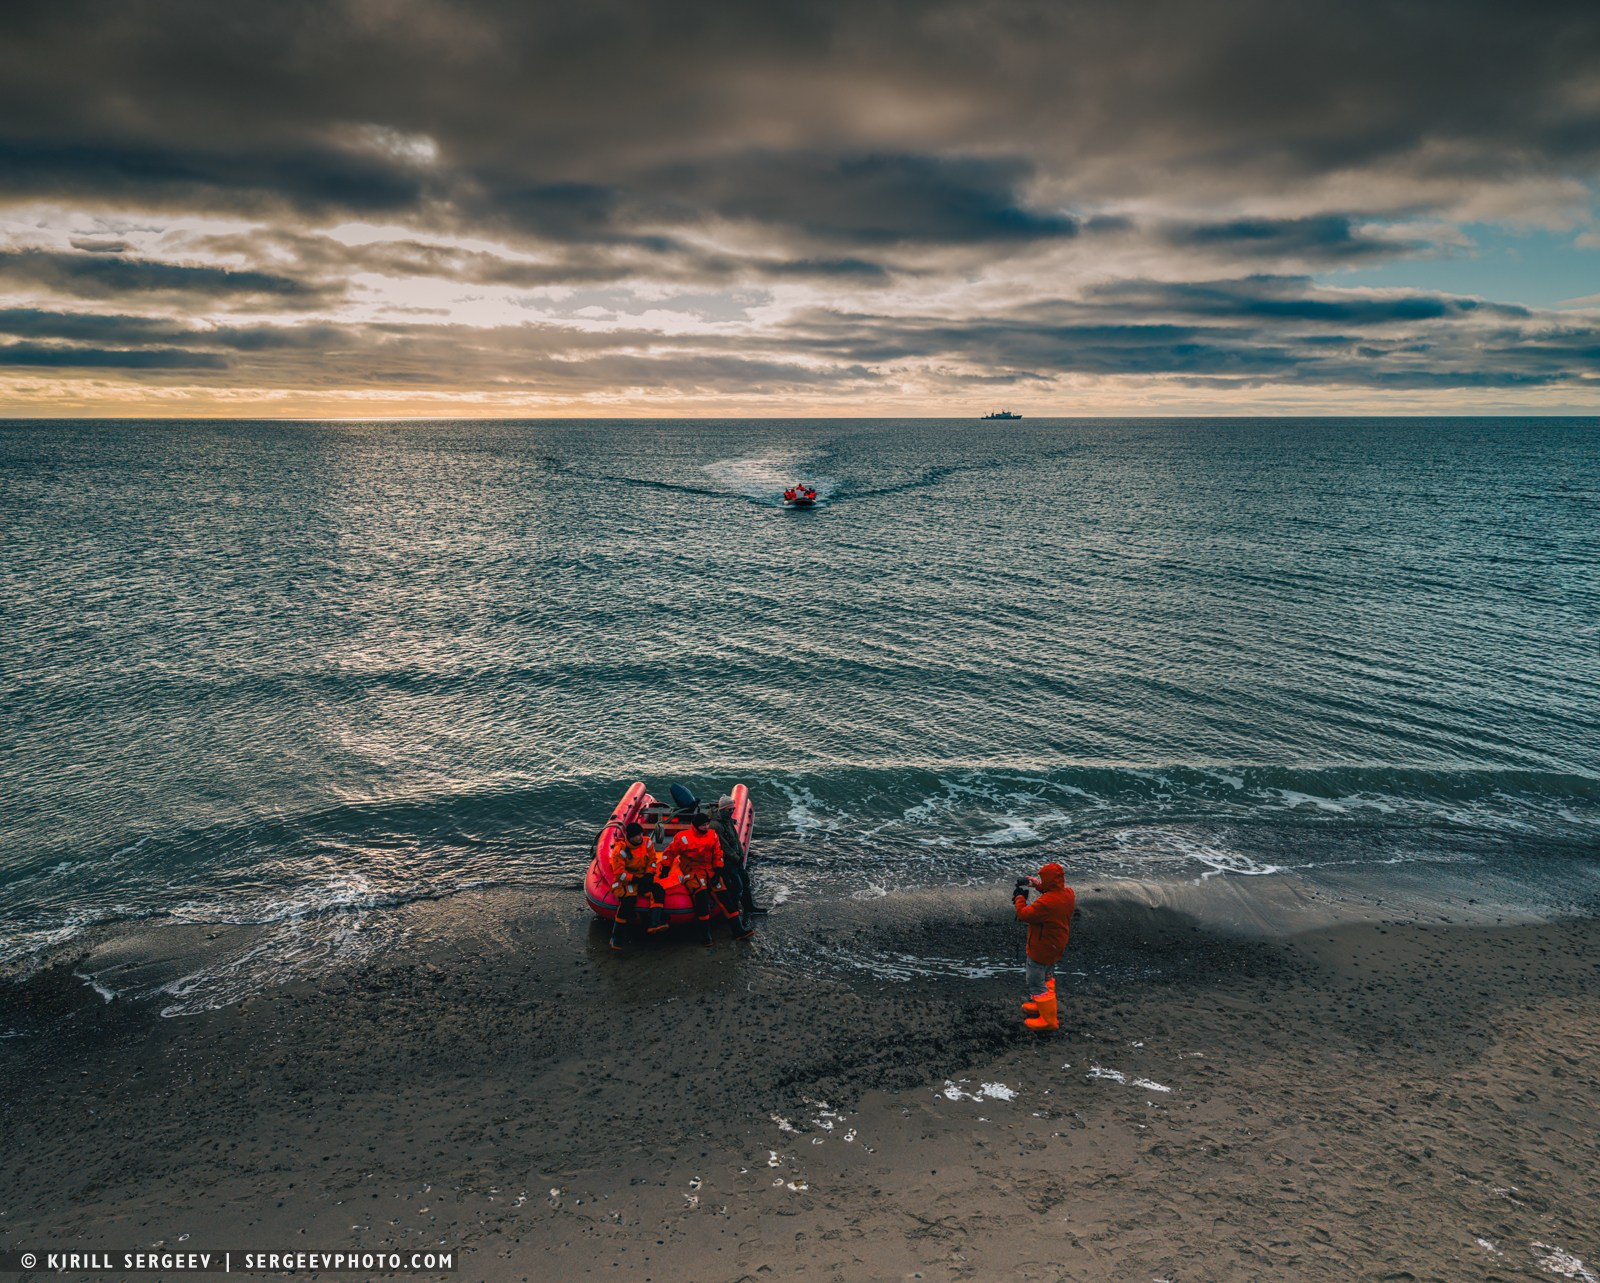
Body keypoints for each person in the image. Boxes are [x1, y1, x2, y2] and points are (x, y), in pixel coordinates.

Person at [661, 811, 752, 946]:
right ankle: (705, 935)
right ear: (696, 825)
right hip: (693, 872)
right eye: (703, 825)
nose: (706, 827)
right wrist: (665, 868)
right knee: (701, 898)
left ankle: (738, 930)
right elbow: (669, 853)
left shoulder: (712, 835)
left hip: (710, 870)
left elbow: (718, 854)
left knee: (725, 897)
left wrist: (718, 870)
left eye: (707, 824)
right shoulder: (683, 838)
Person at [1013, 862, 1075, 1031]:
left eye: (1042, 878)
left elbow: (1024, 914)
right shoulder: (1068, 894)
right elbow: (1053, 893)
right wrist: (1039, 887)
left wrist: (1020, 898)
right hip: (1056, 944)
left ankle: (1048, 1020)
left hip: (1042, 947)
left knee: (1035, 980)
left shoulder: (1047, 903)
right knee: (1047, 975)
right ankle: (1042, 1005)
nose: (1040, 880)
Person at [609, 821, 667, 951]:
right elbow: (619, 874)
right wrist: (635, 879)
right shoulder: (620, 850)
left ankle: (654, 924)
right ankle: (616, 937)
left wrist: (649, 874)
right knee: (628, 902)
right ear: (630, 837)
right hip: (627, 882)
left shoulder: (647, 843)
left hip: (643, 877)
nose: (641, 837)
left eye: (641, 834)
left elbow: (652, 860)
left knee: (658, 891)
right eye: (637, 835)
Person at [709, 794, 756, 924]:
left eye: (733, 809)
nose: (732, 812)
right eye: (730, 809)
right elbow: (723, 845)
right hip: (727, 861)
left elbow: (735, 837)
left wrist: (740, 853)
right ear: (723, 809)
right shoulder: (715, 825)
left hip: (736, 858)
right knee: (736, 887)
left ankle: (749, 907)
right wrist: (736, 857)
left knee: (745, 882)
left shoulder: (728, 820)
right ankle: (733, 913)